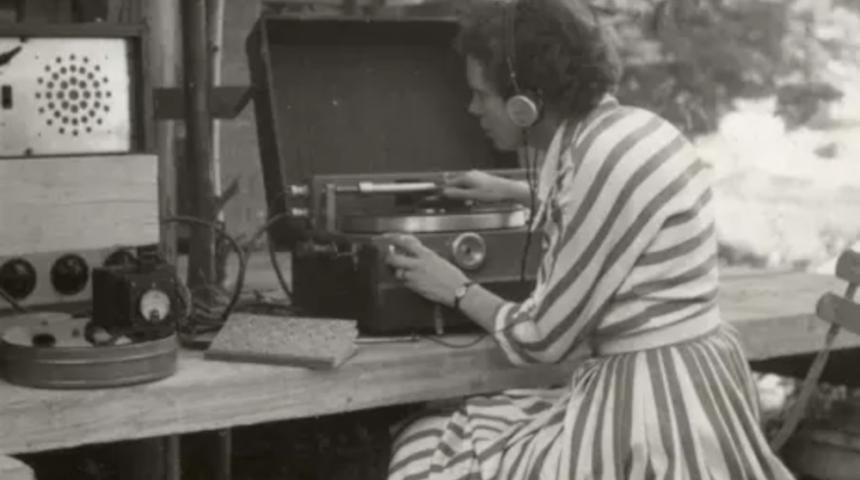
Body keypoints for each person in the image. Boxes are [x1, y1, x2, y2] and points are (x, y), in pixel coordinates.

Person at [383, 0, 796, 478]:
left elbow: (541, 339)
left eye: (481, 94)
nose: (472, 107)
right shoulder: (627, 130)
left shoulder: (602, 161)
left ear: (525, 103)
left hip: (654, 411)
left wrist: (454, 288)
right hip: (690, 380)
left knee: (428, 450)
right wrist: (510, 190)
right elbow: (612, 217)